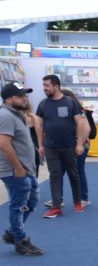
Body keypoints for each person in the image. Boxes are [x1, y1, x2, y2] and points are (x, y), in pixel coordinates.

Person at [35, 74, 87, 218]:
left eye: (47, 85)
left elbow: (80, 123)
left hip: (69, 146)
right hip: (50, 147)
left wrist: (79, 144)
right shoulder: (43, 104)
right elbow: (39, 125)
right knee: (55, 176)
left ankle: (77, 202)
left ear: (56, 86)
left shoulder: (71, 102)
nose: (44, 88)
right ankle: (56, 207)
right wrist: (40, 144)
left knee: (73, 174)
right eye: (43, 85)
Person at [0, 82, 43, 255]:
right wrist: (18, 168)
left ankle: (13, 233)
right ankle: (20, 240)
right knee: (19, 206)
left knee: (31, 201)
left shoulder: (17, 114)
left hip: (24, 169)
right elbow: (4, 144)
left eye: (25, 95)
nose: (25, 98)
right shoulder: (5, 116)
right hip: (15, 171)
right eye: (20, 95)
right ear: (9, 99)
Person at [61, 89, 94, 207]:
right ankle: (58, 199)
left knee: (79, 171)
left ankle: (83, 197)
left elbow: (87, 129)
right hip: (70, 145)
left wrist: (79, 143)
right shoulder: (70, 109)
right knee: (62, 171)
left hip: (79, 145)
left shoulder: (78, 110)